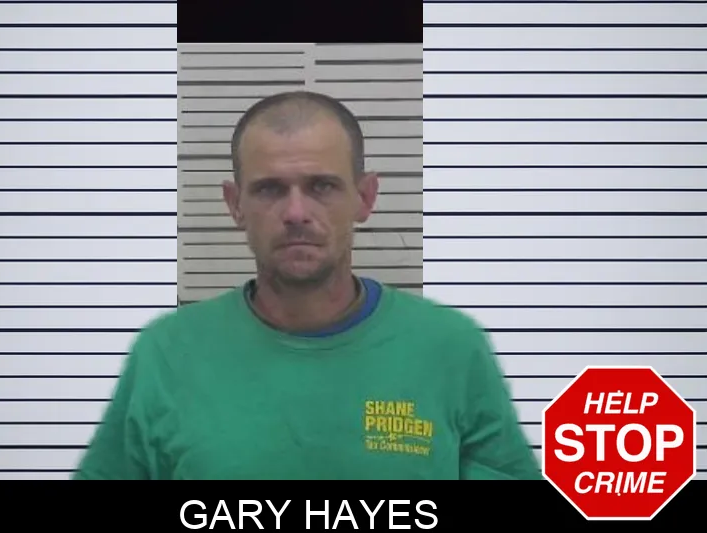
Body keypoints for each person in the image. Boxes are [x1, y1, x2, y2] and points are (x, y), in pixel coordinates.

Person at [72, 91, 541, 480]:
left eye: (321, 186)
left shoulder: (451, 348)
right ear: (235, 204)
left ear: (365, 197)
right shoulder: (167, 353)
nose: (296, 212)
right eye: (270, 189)